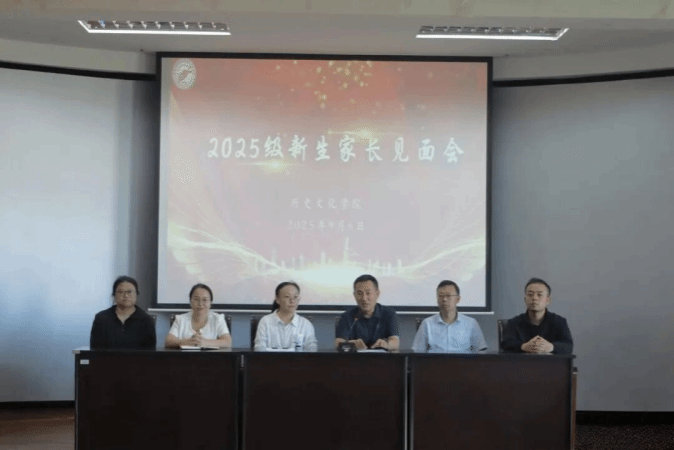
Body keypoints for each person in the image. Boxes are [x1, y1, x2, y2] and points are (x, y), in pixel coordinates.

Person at [501, 278, 573, 354]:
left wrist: (551, 347)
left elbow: (568, 346)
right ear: (525, 299)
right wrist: (523, 346)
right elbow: (505, 344)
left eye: (539, 295)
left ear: (548, 300)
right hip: (522, 361)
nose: (534, 298)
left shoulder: (559, 321)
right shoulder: (514, 322)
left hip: (550, 361)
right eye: (530, 295)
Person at [412, 280, 487, 352]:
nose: (444, 299)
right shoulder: (427, 323)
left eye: (448, 296)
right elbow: (417, 351)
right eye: (441, 296)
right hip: (435, 361)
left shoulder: (471, 323)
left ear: (457, 299)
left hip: (463, 361)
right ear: (437, 299)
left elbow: (480, 350)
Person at [335, 274, 400, 350]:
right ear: (354, 295)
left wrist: (386, 344)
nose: (364, 298)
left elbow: (395, 342)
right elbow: (337, 342)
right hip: (354, 357)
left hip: (381, 357)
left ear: (377, 294)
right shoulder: (346, 316)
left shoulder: (389, 314)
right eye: (359, 294)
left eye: (368, 293)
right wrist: (349, 344)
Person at [90, 276, 156, 349]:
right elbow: (95, 349)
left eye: (129, 292)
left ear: (136, 294)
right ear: (114, 295)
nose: (126, 296)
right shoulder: (101, 318)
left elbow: (150, 351)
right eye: (121, 292)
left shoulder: (146, 320)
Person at [255, 282, 318, 351]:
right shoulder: (265, 321)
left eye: (295, 297)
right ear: (277, 299)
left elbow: (312, 350)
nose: (292, 301)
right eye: (287, 296)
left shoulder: (305, 324)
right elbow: (259, 348)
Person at [165, 283, 232, 348]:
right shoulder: (180, 319)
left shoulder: (218, 319)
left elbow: (227, 342)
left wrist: (205, 342)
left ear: (210, 303)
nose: (200, 304)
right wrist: (187, 342)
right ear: (190, 301)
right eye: (196, 299)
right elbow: (168, 342)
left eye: (205, 300)